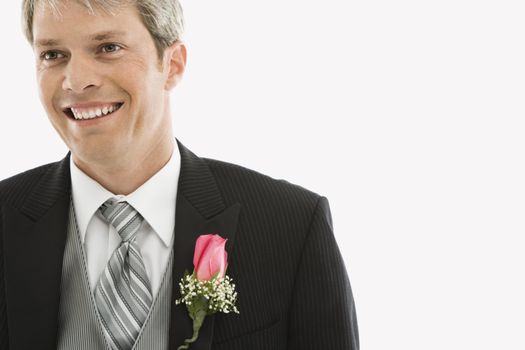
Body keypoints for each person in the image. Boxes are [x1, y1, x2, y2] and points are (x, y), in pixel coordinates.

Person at [0, 1, 359, 349]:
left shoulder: (291, 227)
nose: (76, 81)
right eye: (53, 55)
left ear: (172, 65)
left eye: (108, 47)